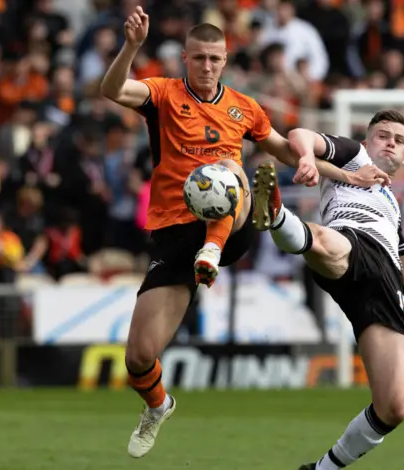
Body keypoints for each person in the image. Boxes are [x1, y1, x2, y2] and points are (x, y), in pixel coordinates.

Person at [100, 6, 389, 459]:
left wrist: (345, 175)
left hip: (229, 227)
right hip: (177, 232)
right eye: (199, 59)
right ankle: (158, 406)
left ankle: (237, 231)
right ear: (185, 59)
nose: (208, 66)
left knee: (230, 171)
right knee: (138, 356)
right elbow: (112, 88)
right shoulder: (162, 95)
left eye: (215, 59)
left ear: (226, 60)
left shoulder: (243, 108)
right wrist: (133, 46)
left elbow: (281, 148)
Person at [251, 110, 404, 470]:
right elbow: (300, 133)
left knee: (393, 407)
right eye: (383, 135)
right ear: (368, 142)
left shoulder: (393, 209)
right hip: (352, 244)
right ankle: (277, 214)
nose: (390, 142)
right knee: (323, 242)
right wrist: (306, 160)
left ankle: (322, 469)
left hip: (386, 283)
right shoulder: (353, 156)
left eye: (399, 139)